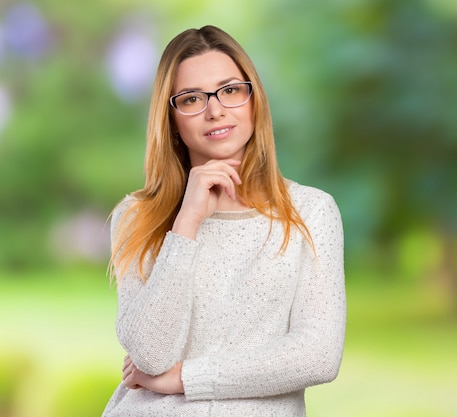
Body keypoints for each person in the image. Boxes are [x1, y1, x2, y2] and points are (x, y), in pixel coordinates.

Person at [101, 25, 346, 417]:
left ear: (254, 100)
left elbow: (317, 355)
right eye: (192, 98)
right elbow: (148, 354)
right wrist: (186, 223)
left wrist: (186, 379)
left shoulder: (310, 212)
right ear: (173, 119)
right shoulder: (137, 216)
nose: (215, 109)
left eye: (230, 90)